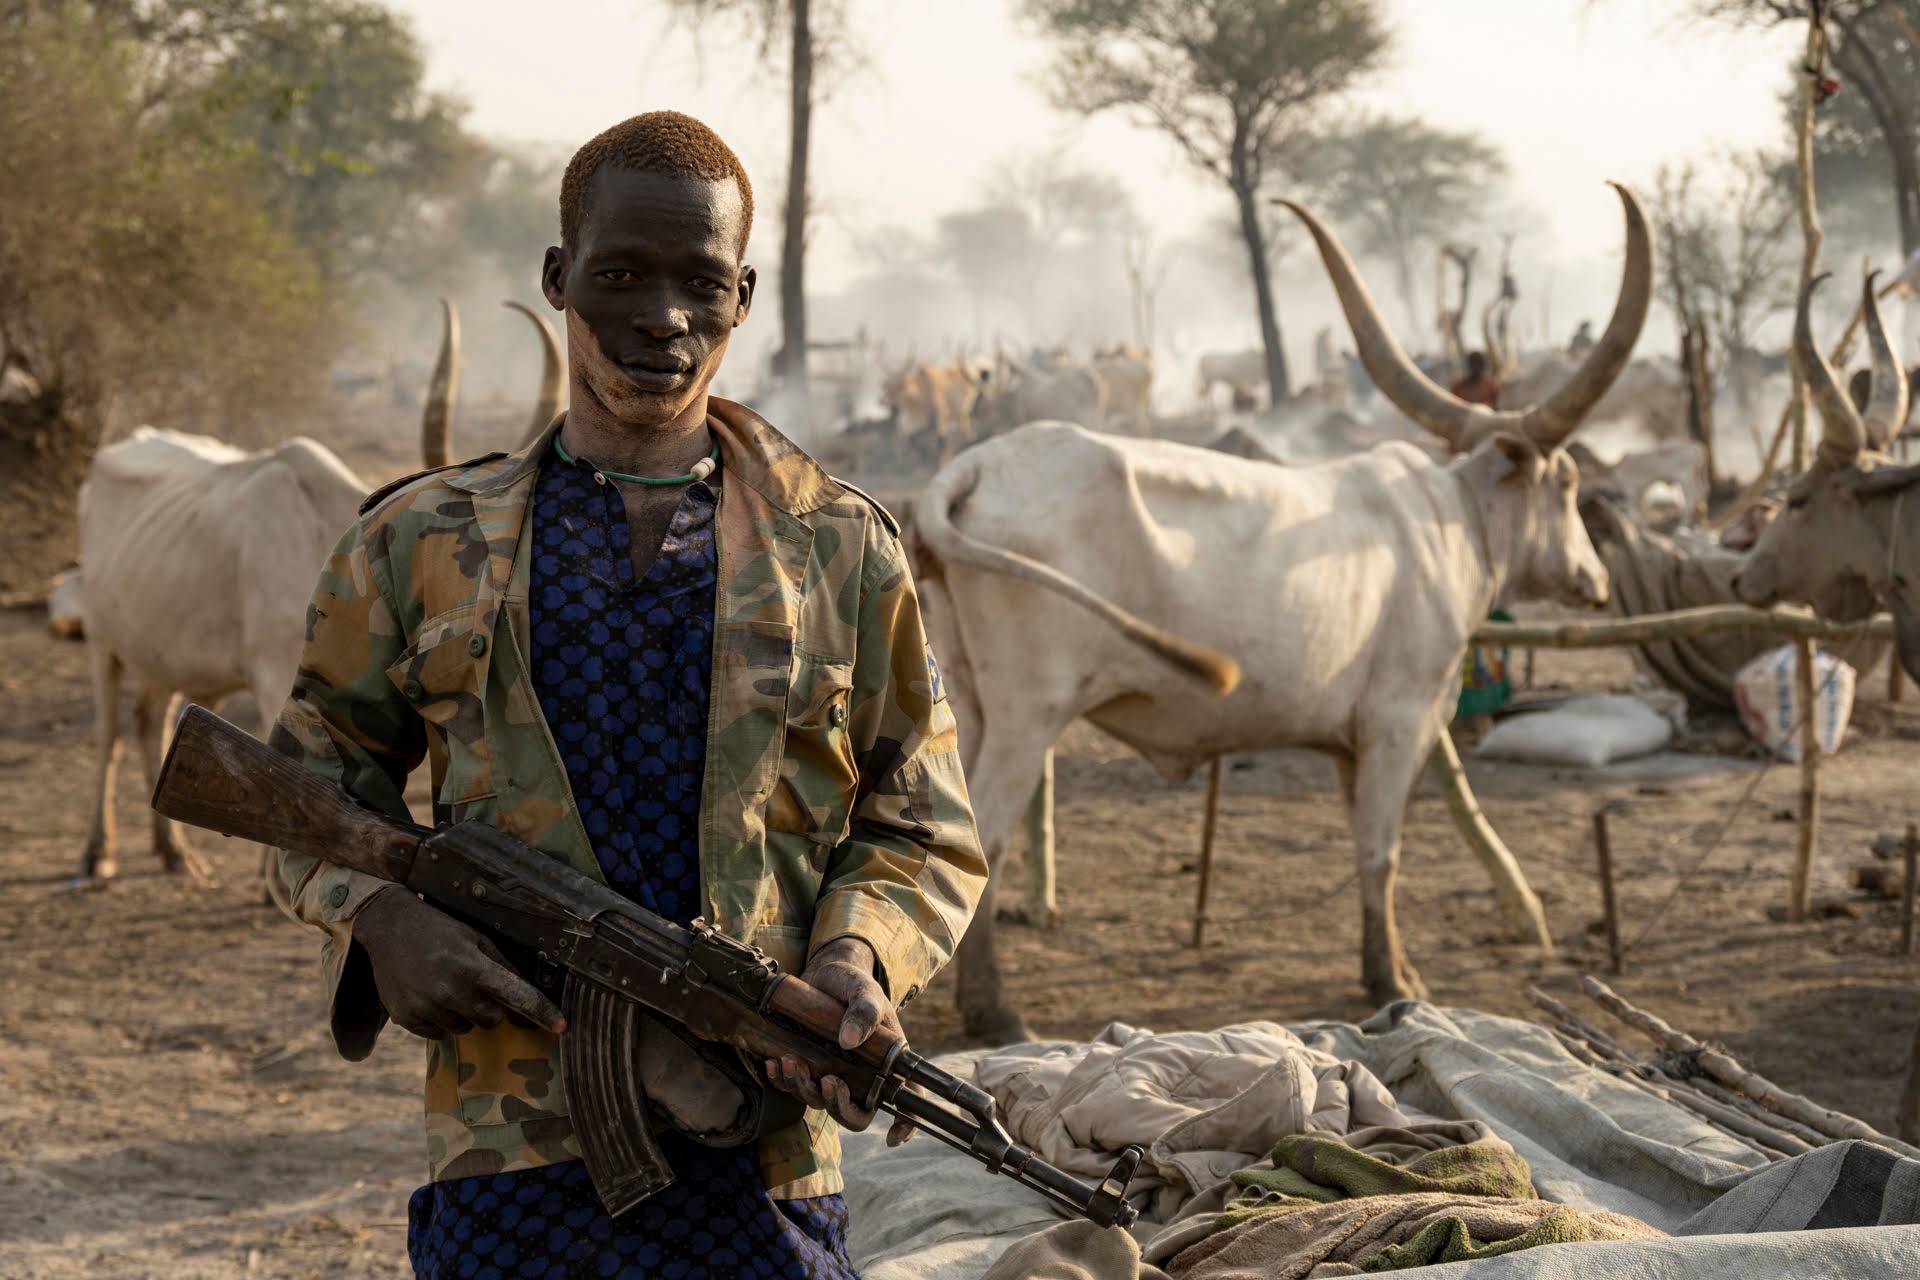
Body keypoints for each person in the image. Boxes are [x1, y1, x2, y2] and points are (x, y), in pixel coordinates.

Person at [268, 110, 987, 1278]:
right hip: (507, 1144)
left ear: (744, 297)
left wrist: (857, 960)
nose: (661, 319)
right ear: (559, 278)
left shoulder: (842, 550)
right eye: (621, 276)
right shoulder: (418, 541)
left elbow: (922, 821)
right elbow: (306, 779)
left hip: (760, 1147)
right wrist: (378, 915)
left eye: (701, 284)